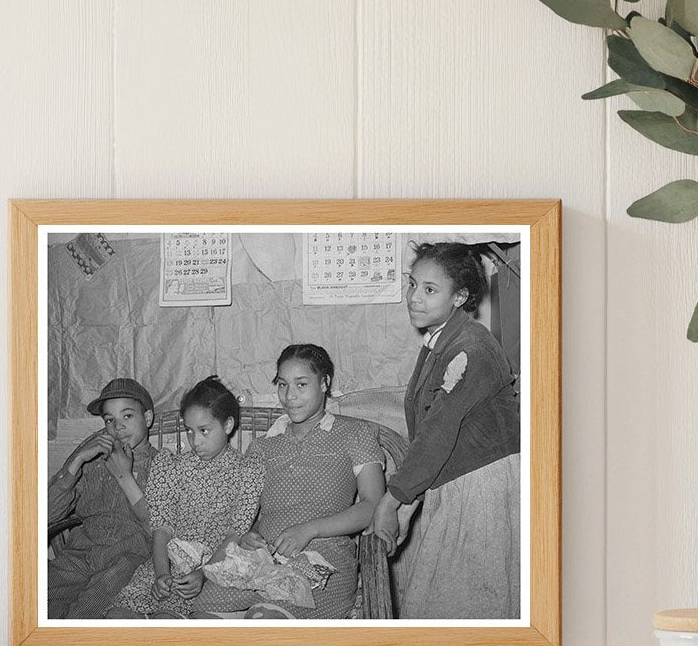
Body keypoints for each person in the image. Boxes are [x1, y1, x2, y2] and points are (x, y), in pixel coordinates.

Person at [372, 242, 521, 619]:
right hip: (457, 483)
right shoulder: (442, 340)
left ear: (460, 296)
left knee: (461, 607)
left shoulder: (469, 348)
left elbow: (438, 432)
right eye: (412, 284)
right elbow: (431, 433)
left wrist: (392, 501)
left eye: (429, 290)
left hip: (482, 490)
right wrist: (409, 505)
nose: (414, 298)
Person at [193, 344, 385, 619]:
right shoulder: (262, 447)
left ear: (324, 383)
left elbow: (372, 505)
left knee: (264, 621)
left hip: (321, 559)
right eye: (283, 385)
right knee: (201, 621)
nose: (289, 396)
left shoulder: (354, 433)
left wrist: (310, 530)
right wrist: (250, 535)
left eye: (301, 384)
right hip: (262, 560)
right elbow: (250, 513)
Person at [108, 377, 264, 619]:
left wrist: (204, 573)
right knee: (119, 618)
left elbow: (236, 534)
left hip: (212, 566)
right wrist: (161, 573)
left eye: (204, 431)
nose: (195, 441)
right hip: (165, 564)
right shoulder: (171, 467)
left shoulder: (247, 471)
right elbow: (161, 529)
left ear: (228, 425)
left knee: (166, 623)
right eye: (189, 431)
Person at [47, 377, 165, 619]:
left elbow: (162, 530)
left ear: (148, 419)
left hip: (128, 560)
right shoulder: (92, 462)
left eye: (128, 416)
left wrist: (125, 475)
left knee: (89, 609)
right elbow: (45, 515)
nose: (117, 427)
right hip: (80, 556)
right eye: (110, 420)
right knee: (33, 593)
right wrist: (78, 459)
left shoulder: (164, 466)